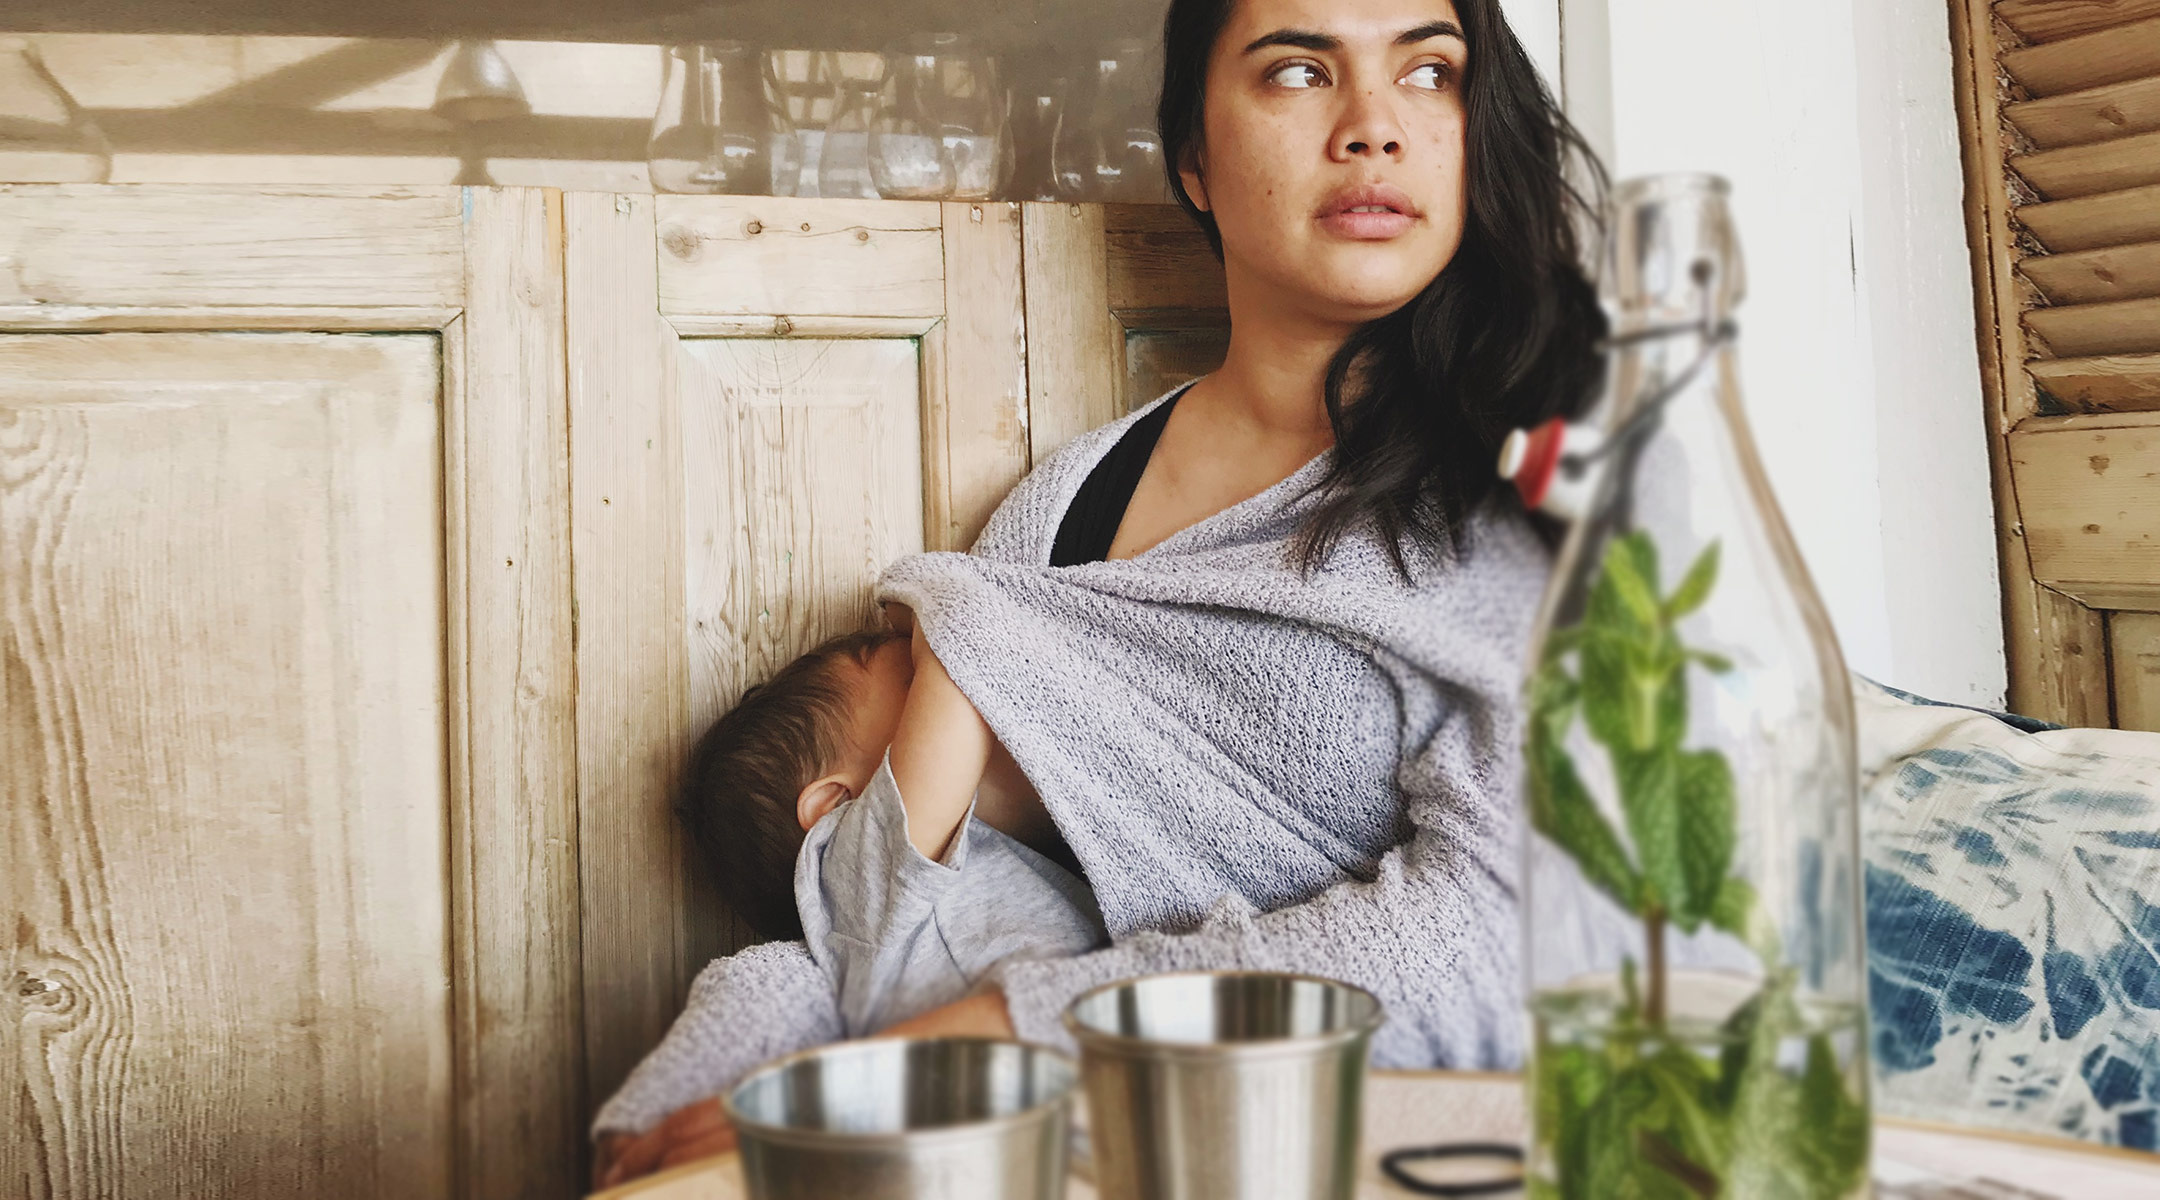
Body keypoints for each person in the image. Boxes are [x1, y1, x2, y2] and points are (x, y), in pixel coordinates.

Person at [597, 0, 1604, 1183]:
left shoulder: (1541, 484)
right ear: (1193, 157)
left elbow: (1511, 936)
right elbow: (895, 934)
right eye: (1296, 72)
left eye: (1430, 71)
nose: (1374, 126)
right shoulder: (1069, 512)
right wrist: (688, 1129)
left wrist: (1002, 1036)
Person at [673, 622, 1104, 1037]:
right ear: (838, 807)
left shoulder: (940, 872)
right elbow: (960, 646)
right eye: (914, 683)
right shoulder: (854, 876)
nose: (938, 689)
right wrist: (921, 609)